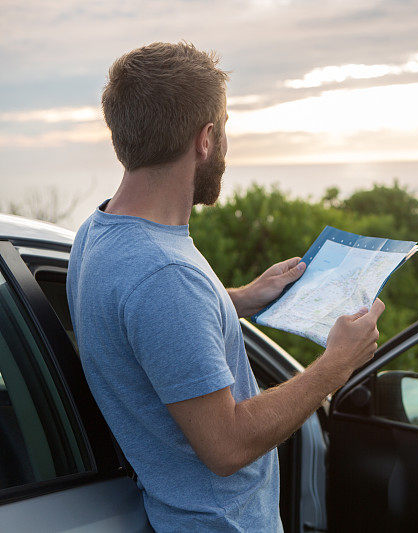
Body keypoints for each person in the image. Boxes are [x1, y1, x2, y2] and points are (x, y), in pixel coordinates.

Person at [66, 41, 383, 532]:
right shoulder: (165, 277)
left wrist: (236, 298)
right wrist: (337, 363)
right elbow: (227, 446)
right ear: (206, 139)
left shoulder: (100, 231)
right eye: (226, 127)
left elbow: (142, 323)